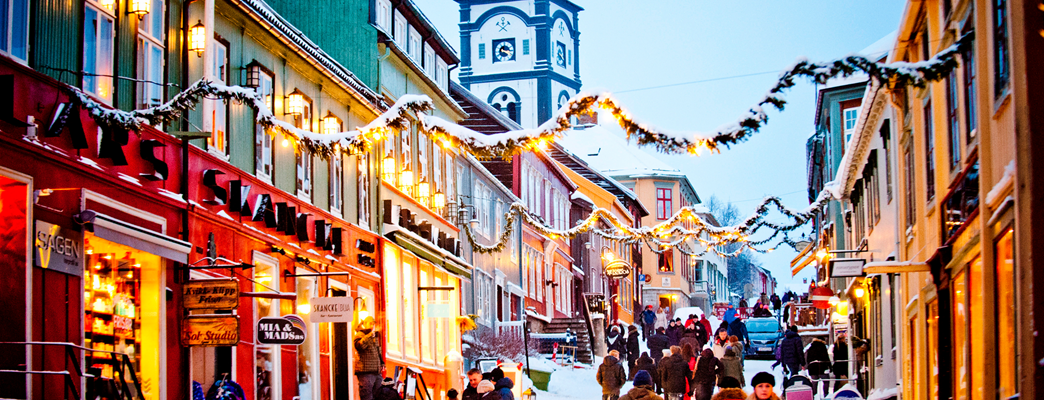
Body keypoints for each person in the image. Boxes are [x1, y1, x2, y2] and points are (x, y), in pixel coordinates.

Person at [354, 316, 385, 400]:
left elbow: (378, 351)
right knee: (367, 396)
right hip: (365, 372)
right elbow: (360, 346)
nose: (372, 326)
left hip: (376, 371)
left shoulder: (373, 336)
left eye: (373, 324)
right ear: (365, 324)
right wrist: (369, 335)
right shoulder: (359, 335)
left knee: (379, 395)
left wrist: (382, 363)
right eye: (370, 324)